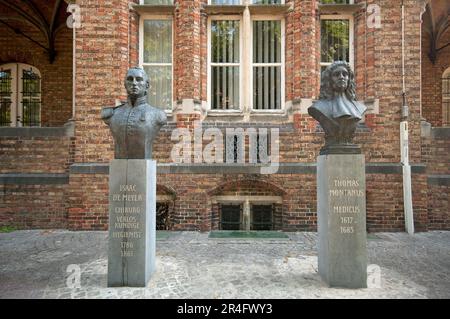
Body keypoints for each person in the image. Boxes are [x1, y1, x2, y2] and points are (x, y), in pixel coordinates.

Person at [101, 67, 167, 159]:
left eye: (139, 80)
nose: (134, 83)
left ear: (147, 85)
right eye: (130, 79)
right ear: (125, 84)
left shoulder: (158, 115)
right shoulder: (112, 114)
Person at [308, 61, 367, 154]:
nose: (341, 77)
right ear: (329, 80)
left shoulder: (359, 107)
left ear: (349, 79)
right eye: (336, 74)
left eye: (345, 74)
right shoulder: (319, 107)